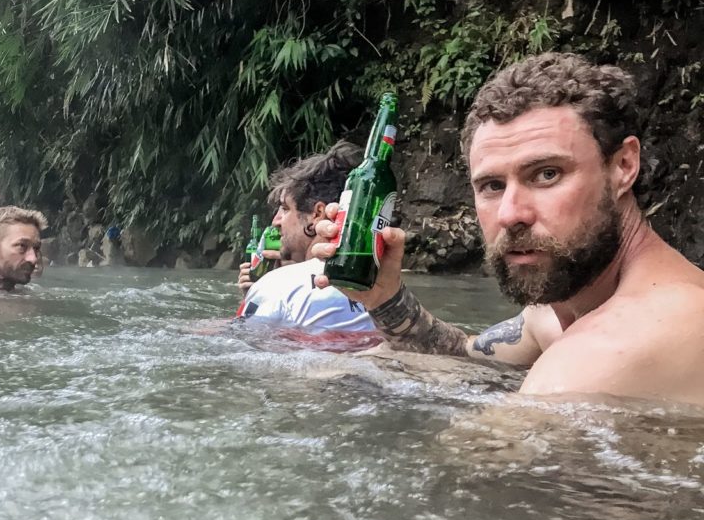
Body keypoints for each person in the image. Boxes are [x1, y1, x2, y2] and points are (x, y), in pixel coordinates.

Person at [311, 52, 704, 406]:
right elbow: (465, 354)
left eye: (547, 174)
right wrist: (384, 297)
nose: (510, 214)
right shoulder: (558, 313)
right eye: (492, 186)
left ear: (623, 166)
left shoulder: (609, 350)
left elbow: (460, 478)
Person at [236, 141, 377, 335]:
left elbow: (240, 340)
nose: (276, 221)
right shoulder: (386, 290)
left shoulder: (278, 286)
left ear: (317, 214)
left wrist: (257, 295)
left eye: (285, 209)